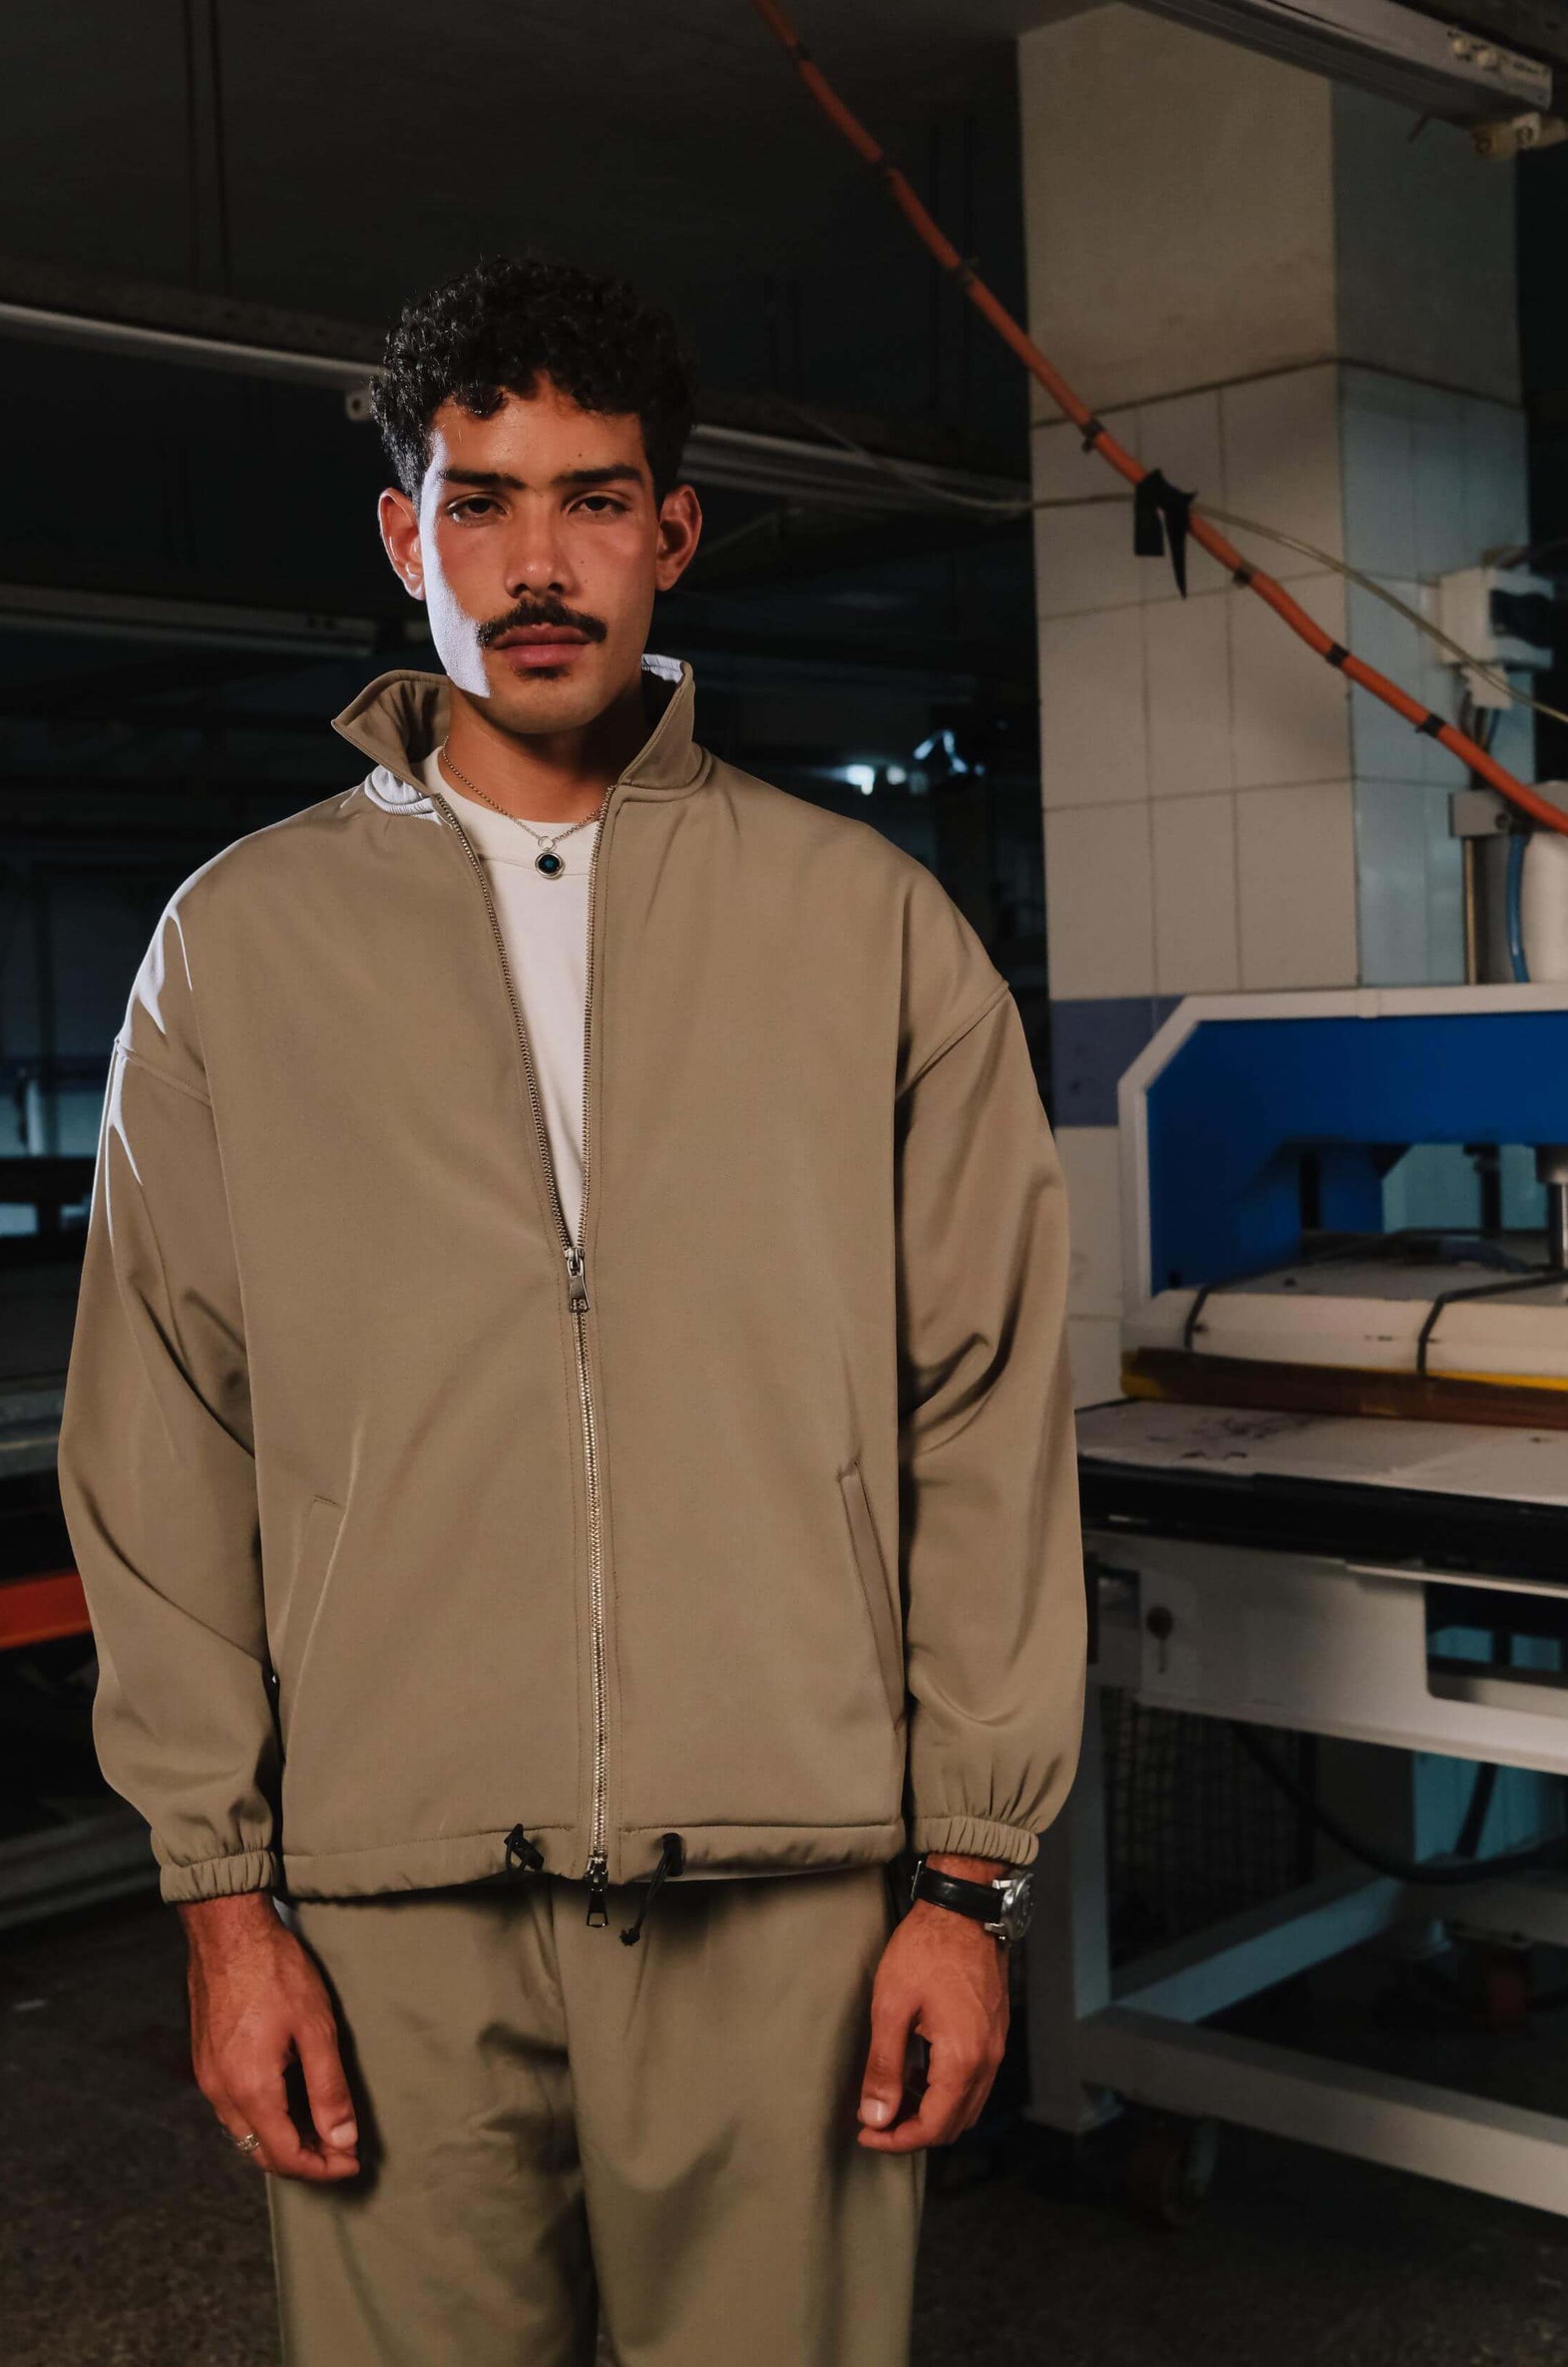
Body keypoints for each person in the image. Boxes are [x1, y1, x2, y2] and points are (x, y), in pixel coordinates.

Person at [56, 251, 1086, 2366]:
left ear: (671, 532)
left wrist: (966, 1885)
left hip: (787, 1888)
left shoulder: (867, 933)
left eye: (595, 499)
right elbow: (164, 1433)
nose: (539, 562)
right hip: (381, 1903)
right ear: (401, 536)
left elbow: (982, 1412)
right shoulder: (238, 950)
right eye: (483, 499)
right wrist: (221, 1904)